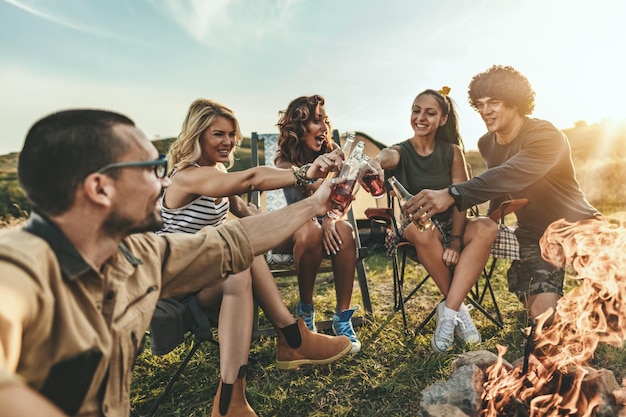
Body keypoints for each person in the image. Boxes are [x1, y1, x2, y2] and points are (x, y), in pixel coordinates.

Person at [0, 109, 341, 417]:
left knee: (236, 251)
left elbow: (235, 240)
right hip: (183, 295)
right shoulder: (19, 266)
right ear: (100, 188)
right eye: (150, 170)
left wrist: (313, 206)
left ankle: (273, 359)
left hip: (191, 270)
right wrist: (302, 175)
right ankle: (284, 348)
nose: (164, 183)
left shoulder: (139, 254)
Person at [158, 98, 353, 415]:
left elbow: (246, 208)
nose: (228, 142)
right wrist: (305, 173)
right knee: (240, 249)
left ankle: (232, 399)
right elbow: (251, 180)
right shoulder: (186, 177)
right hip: (177, 281)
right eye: (218, 134)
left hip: (209, 273)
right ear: (197, 135)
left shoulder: (216, 172)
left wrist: (284, 227)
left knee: (241, 254)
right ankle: (292, 337)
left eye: (232, 134)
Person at [407, 65, 601, 326]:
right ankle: (558, 300)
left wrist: (453, 193)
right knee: (545, 321)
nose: (486, 111)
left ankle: (596, 297)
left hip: (578, 225)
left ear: (515, 102)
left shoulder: (545, 135)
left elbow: (512, 173)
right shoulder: (487, 143)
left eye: (494, 102)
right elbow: (496, 183)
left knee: (611, 300)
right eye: (480, 104)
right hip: (534, 234)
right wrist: (489, 223)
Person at [366, 88, 498, 353]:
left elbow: (460, 199)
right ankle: (459, 310)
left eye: (430, 112)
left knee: (487, 226)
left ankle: (448, 311)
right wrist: (377, 162)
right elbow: (386, 156)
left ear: (443, 119)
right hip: (414, 229)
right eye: (416, 110)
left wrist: (457, 242)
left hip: (451, 227)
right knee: (422, 228)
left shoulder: (452, 152)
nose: (421, 117)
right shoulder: (401, 151)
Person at [274, 94, 361, 353]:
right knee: (309, 229)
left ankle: (342, 317)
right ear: (298, 128)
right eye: (315, 121)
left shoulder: (333, 155)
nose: (323, 127)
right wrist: (324, 218)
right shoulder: (284, 162)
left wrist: (333, 220)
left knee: (345, 230)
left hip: (321, 228)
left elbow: (338, 203)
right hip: (292, 232)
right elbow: (312, 191)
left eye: (325, 121)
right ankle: (305, 312)